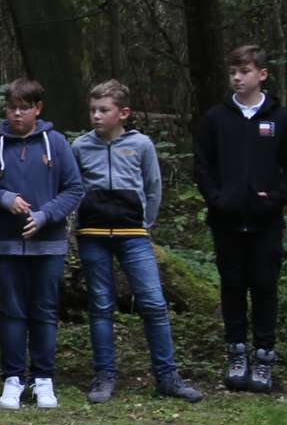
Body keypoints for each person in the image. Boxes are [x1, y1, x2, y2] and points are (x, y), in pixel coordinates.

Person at [73, 81, 203, 404]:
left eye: (104, 110)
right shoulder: (80, 147)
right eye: (93, 110)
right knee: (101, 305)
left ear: (123, 113)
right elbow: (73, 188)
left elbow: (153, 186)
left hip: (134, 236)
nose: (97, 116)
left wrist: (145, 223)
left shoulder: (141, 145)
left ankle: (167, 376)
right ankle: (105, 375)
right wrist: (78, 224)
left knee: (154, 304)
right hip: (93, 237)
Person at [193, 45, 287, 393]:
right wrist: (217, 198)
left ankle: (264, 356)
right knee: (233, 286)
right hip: (226, 219)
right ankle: (236, 355)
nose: (237, 78)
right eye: (233, 72)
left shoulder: (279, 118)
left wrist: (277, 199)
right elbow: (202, 165)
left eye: (244, 71)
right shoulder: (216, 118)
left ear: (262, 74)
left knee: (265, 286)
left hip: (266, 221)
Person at [0, 79, 84, 410]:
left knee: (45, 310)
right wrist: (3, 198)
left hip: (48, 245)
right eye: (11, 108)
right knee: (12, 311)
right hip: (4, 245)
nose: (17, 114)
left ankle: (44, 379)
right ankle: (13, 378)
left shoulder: (57, 144)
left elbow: (74, 189)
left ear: (38, 109)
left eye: (24, 108)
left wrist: (46, 215)